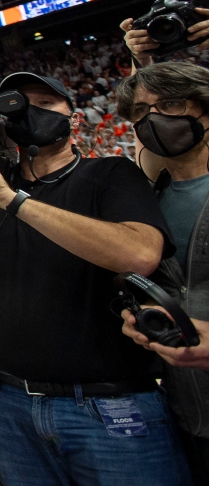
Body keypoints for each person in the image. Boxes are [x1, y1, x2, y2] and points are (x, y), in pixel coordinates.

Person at [0, 71, 191, 484]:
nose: (32, 112)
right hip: (9, 402)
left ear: (73, 117)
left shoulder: (110, 174)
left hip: (107, 406)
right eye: (19, 104)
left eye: (47, 104)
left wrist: (14, 202)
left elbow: (140, 254)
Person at [114, 61, 209, 482]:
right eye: (139, 112)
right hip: (186, 413)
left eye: (170, 104)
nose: (153, 118)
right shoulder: (146, 199)